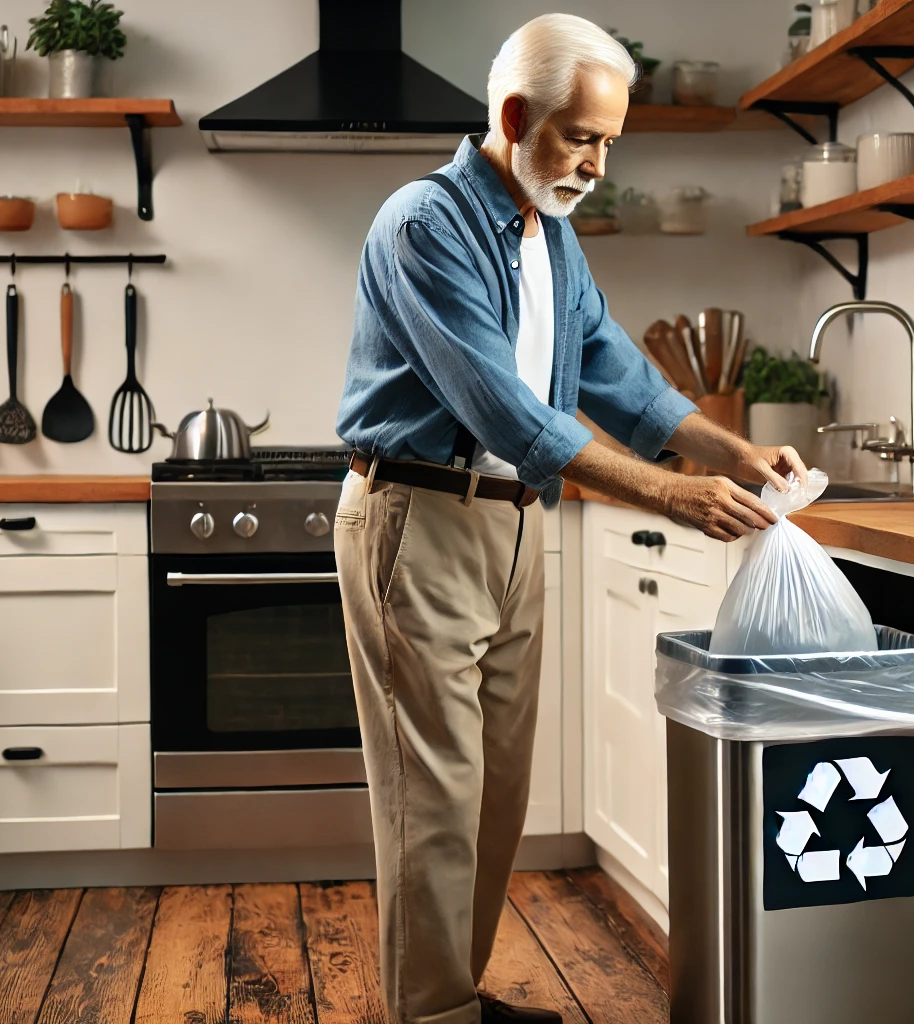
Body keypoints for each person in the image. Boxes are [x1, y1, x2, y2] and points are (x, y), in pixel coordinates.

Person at [333, 13, 805, 1023]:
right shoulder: (426, 223)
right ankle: (430, 1013)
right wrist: (671, 492)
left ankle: (451, 994)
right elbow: (501, 406)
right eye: (582, 138)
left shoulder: (550, 235)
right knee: (437, 792)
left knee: (497, 787)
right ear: (514, 116)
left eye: (607, 143)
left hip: (514, 523)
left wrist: (732, 450)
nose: (594, 163)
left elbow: (616, 373)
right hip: (420, 519)